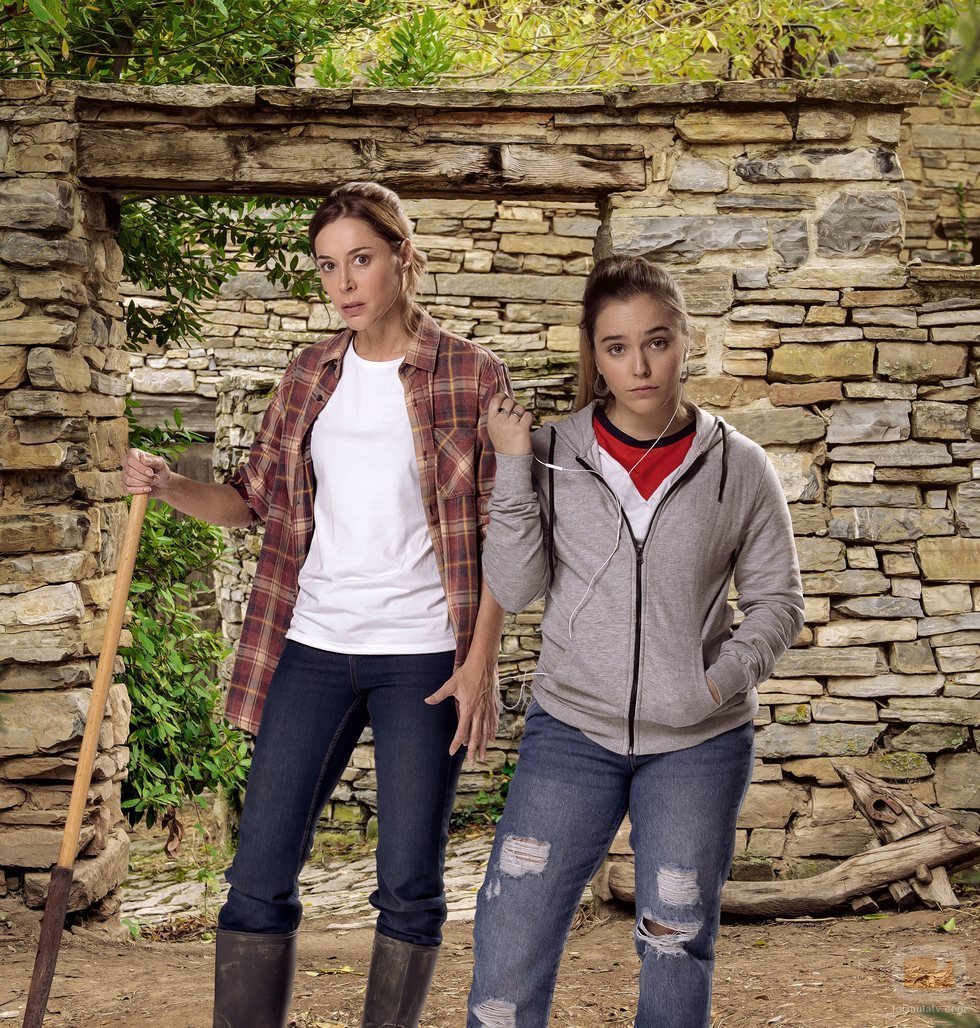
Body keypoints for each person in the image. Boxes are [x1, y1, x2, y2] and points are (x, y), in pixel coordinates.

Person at [123, 181, 511, 1028]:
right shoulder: (308, 375)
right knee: (258, 873)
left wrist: (479, 664)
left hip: (421, 656)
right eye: (328, 266)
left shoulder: (472, 373)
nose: (343, 283)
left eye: (361, 259)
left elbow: (503, 533)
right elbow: (249, 500)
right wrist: (169, 485)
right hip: (312, 645)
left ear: (403, 256)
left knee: (408, 884)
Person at [466, 255, 804, 1028]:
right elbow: (515, 589)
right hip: (570, 733)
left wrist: (716, 682)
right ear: (594, 354)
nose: (639, 365)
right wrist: (514, 468)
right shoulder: (552, 451)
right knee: (511, 934)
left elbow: (780, 603)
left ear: (685, 340)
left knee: (675, 942)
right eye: (616, 348)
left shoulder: (740, 467)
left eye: (656, 342)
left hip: (699, 741)